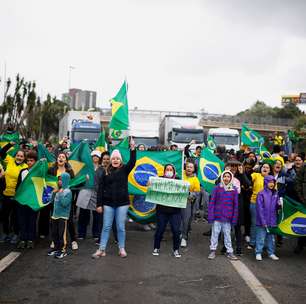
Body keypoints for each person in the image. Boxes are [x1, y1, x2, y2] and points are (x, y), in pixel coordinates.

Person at [92, 139, 136, 258]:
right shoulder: (105, 172)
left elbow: (132, 162)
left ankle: (121, 249)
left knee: (120, 227)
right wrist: (99, 205)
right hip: (108, 203)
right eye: (113, 159)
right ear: (111, 160)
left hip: (122, 203)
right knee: (106, 226)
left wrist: (132, 149)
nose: (115, 160)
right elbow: (100, 189)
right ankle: (101, 249)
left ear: (120, 160)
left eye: (117, 159)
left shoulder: (125, 170)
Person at [44, 152, 77, 250]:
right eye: (59, 156)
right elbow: (46, 180)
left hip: (66, 199)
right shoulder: (51, 170)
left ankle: (74, 240)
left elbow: (74, 183)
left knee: (69, 220)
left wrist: (84, 178)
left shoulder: (69, 171)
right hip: (55, 199)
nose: (61, 158)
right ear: (57, 159)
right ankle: (55, 241)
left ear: (66, 160)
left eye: (63, 157)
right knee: (54, 220)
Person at [152, 164, 182, 258]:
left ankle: (176, 250)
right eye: (167, 169)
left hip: (175, 211)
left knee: (176, 231)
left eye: (171, 169)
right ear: (164, 171)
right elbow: (149, 185)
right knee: (160, 229)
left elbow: (184, 192)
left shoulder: (179, 181)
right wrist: (152, 182)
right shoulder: (159, 180)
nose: (169, 171)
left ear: (174, 171)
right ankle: (156, 247)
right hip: (162, 210)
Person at [0, 143, 28, 243]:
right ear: (15, 156)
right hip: (6, 194)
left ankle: (16, 234)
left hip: (17, 196)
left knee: (15, 216)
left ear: (24, 158)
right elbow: (1, 152)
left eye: (21, 156)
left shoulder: (25, 167)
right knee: (4, 216)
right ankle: (6, 233)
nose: (19, 157)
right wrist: (9, 144)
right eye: (18, 155)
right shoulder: (10, 160)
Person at [207, 170, 238, 260]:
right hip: (217, 216)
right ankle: (212, 250)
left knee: (227, 234)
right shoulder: (217, 188)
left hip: (228, 217)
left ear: (231, 178)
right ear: (221, 177)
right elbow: (212, 202)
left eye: (228, 176)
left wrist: (234, 217)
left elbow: (235, 205)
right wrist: (211, 215)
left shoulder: (234, 190)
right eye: (225, 176)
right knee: (215, 233)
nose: (226, 178)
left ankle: (230, 252)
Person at [77, 150, 102, 240]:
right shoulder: (85, 168)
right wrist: (84, 178)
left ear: (99, 158)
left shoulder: (102, 169)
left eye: (97, 156)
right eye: (93, 155)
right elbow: (79, 178)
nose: (95, 157)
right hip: (85, 192)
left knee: (96, 215)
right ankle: (81, 233)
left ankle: (96, 234)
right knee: (83, 214)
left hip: (96, 194)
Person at [16, 150, 38, 249]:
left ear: (35, 162)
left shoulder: (38, 172)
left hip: (33, 201)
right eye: (28, 160)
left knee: (32, 220)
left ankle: (31, 239)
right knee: (22, 220)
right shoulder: (22, 171)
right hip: (22, 201)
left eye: (32, 160)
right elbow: (18, 186)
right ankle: (22, 238)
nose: (29, 162)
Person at [255, 175, 281, 261]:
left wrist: (279, 204)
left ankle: (271, 253)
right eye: (270, 182)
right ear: (266, 182)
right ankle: (258, 252)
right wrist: (263, 221)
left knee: (271, 239)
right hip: (262, 221)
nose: (272, 184)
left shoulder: (275, 193)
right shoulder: (261, 194)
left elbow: (276, 208)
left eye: (273, 182)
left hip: (272, 221)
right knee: (261, 238)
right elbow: (259, 209)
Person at [47, 172, 73, 259]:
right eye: (58, 180)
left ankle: (62, 250)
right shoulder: (58, 190)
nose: (59, 182)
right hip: (55, 215)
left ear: (66, 180)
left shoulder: (68, 191)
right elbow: (51, 202)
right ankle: (56, 248)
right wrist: (53, 193)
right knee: (54, 233)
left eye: (61, 180)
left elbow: (64, 203)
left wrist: (61, 193)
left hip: (63, 216)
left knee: (61, 233)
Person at [248, 163, 273, 249]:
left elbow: (274, 192)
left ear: (270, 170)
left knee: (265, 224)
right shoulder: (256, 175)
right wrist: (252, 169)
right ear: (260, 168)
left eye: (267, 167)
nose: (265, 168)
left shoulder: (271, 179)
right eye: (263, 167)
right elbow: (248, 177)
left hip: (267, 206)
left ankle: (263, 244)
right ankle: (252, 243)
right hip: (254, 203)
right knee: (254, 223)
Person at [180, 160, 200, 248]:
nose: (189, 168)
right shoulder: (180, 174)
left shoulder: (195, 180)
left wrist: (189, 194)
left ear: (194, 169)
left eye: (191, 167)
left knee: (185, 220)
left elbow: (197, 193)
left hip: (187, 202)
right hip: (176, 200)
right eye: (188, 166)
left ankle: (184, 237)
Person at [294, 162, 306, 254]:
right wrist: (301, 198)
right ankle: (300, 245)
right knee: (303, 223)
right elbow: (297, 181)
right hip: (304, 201)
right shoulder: (304, 166)